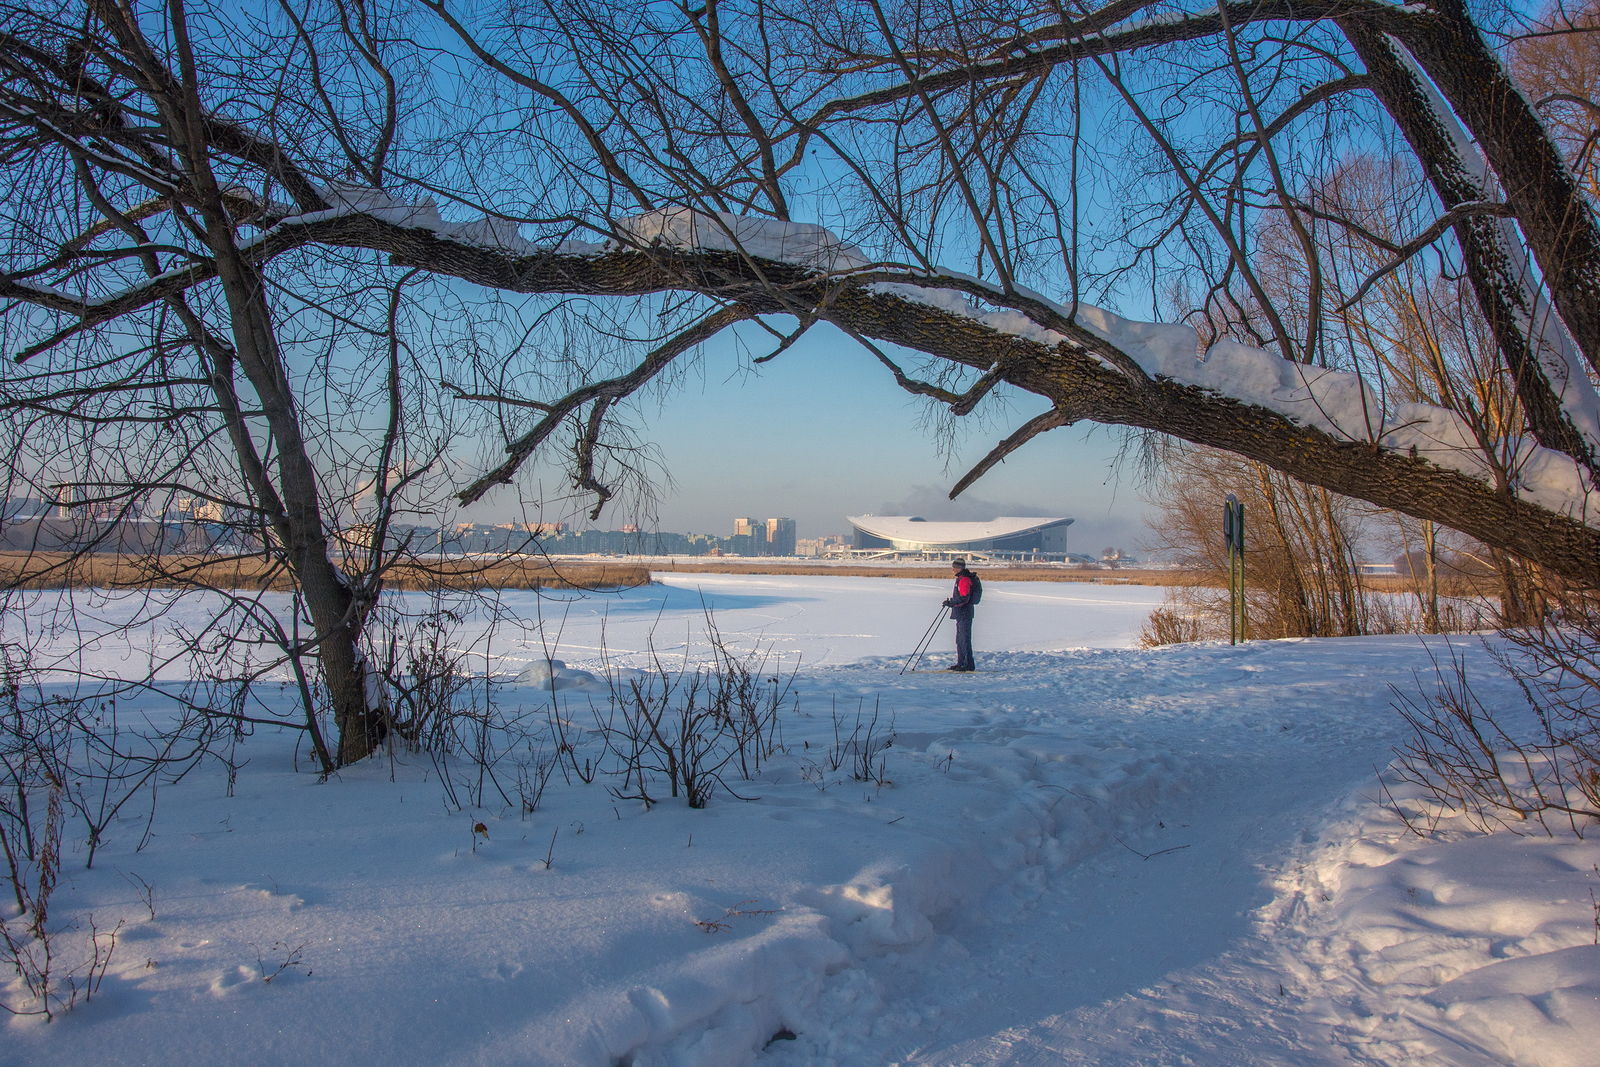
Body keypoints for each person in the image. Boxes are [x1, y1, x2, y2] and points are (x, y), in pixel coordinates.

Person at [942, 558, 978, 672]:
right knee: (959, 640)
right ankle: (961, 662)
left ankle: (967, 664)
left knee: (964, 639)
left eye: (954, 568)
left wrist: (952, 603)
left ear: (959, 568)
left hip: (964, 613)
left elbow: (964, 598)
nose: (952, 570)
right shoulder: (961, 579)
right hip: (961, 613)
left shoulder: (964, 580)